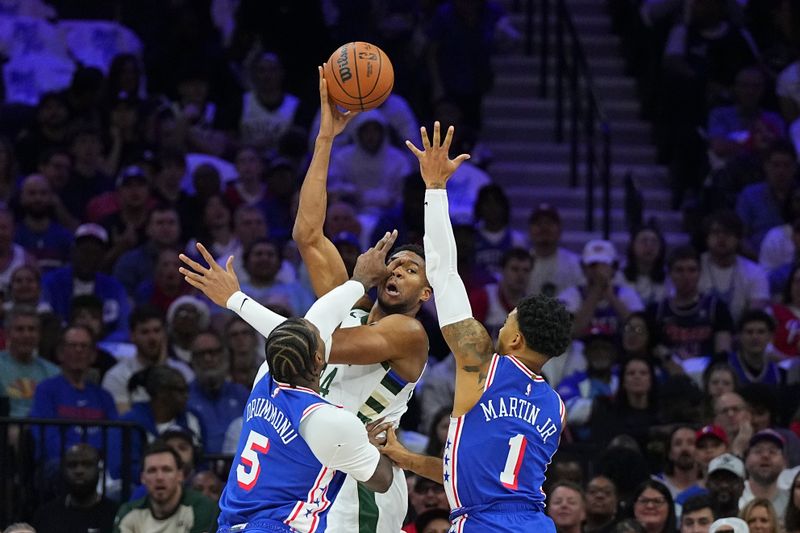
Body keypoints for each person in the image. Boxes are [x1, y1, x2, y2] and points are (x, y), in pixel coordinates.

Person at [193, 67, 433, 533]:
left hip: (362, 481)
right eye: (395, 262)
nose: (397, 270)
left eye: (411, 269)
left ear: (426, 293)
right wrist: (325, 139)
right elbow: (307, 232)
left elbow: (314, 342)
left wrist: (236, 299)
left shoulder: (408, 333)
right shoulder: (353, 308)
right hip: (309, 466)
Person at [378, 121, 574, 532]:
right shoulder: (554, 407)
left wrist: (434, 189)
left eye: (508, 320)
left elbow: (445, 274)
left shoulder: (482, 365)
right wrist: (406, 458)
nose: (499, 324)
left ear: (516, 338)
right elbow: (481, 479)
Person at [214, 241, 400, 532]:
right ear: (318, 358)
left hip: (232, 523)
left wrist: (359, 282)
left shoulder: (265, 379)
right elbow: (382, 480)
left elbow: (309, 323)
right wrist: (365, 444)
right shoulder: (328, 419)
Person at [113, 441, 217, 533]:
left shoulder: (202, 508)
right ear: (143, 478)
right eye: (152, 470)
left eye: (166, 470)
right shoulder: (129, 512)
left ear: (180, 475)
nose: (159, 477)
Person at [30, 443, 119, 533]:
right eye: (72, 465)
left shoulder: (115, 515)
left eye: (87, 464)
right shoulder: (46, 516)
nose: (79, 470)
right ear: (63, 470)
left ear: (99, 470)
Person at [0, 307, 59, 416]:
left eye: (31, 329)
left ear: (39, 335)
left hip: (41, 430)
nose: (26, 335)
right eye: (20, 329)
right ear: (8, 334)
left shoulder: (54, 373)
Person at [706, 454, 746, 519]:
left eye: (731, 480)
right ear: (707, 485)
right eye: (717, 479)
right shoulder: (696, 524)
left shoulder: (751, 522)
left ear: (743, 487)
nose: (724, 485)